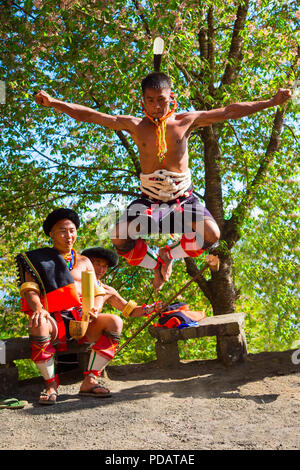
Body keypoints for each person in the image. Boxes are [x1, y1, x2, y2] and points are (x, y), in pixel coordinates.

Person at [34, 77, 291, 291]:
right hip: (150, 199)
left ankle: (169, 254)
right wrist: (55, 103)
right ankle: (154, 263)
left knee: (213, 235)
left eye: (161, 100)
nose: (156, 106)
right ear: (143, 101)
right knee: (118, 236)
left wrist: (270, 102)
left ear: (172, 98)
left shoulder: (186, 121)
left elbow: (228, 111)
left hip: (183, 198)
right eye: (150, 100)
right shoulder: (135, 125)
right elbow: (92, 116)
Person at [16, 208, 124, 404]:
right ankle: (51, 384)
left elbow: (98, 291)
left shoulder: (84, 261)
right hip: (53, 319)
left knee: (115, 322)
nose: (69, 236)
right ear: (52, 234)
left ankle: (90, 380)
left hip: (81, 320)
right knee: (38, 323)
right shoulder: (36, 260)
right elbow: (29, 290)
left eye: (72, 230)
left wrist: (95, 309)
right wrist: (39, 308)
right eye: (63, 231)